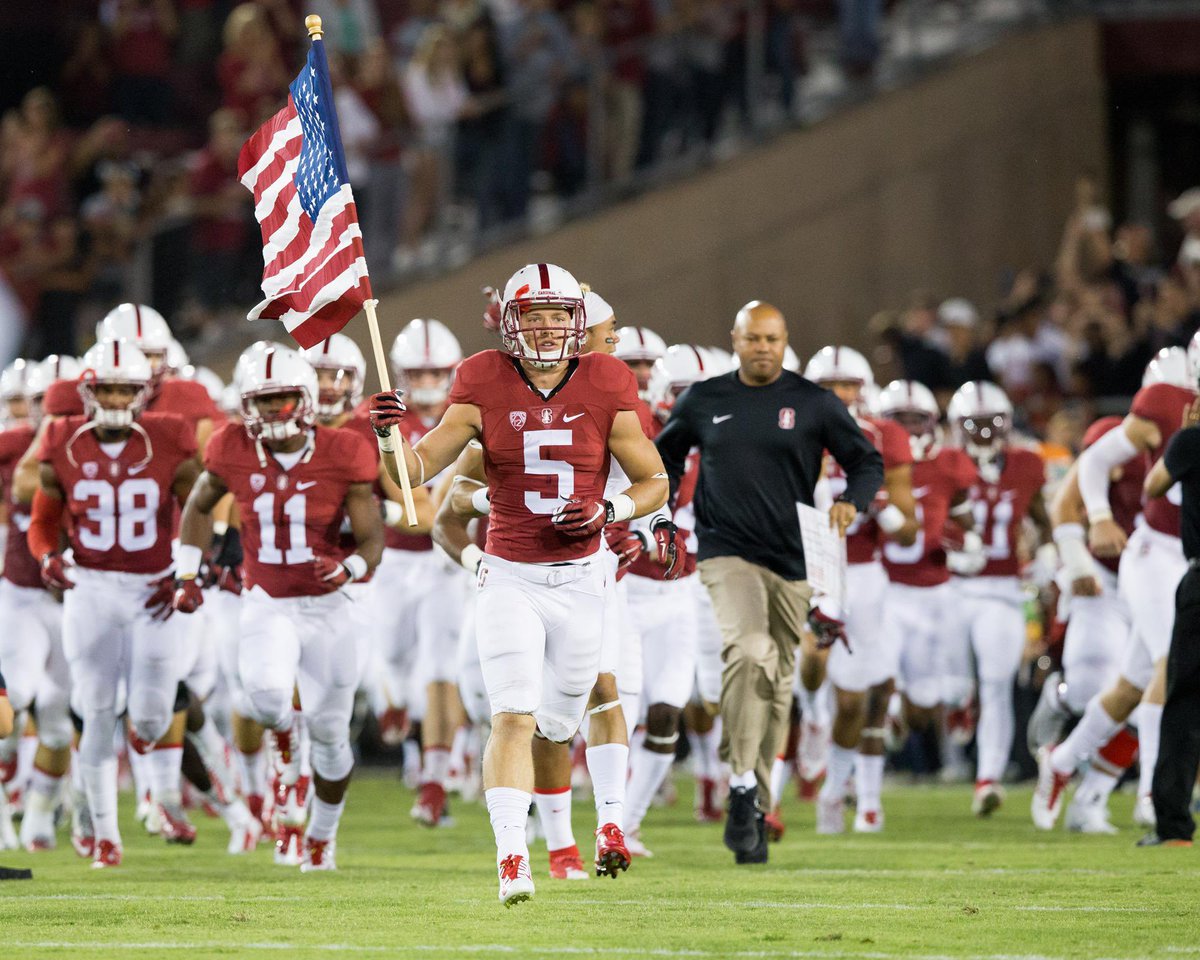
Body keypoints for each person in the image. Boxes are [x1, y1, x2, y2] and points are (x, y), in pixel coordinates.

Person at [368, 262, 669, 905]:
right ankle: (512, 859)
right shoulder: (482, 377)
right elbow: (415, 472)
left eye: (559, 315)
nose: (548, 327)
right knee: (511, 715)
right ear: (510, 323)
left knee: (560, 724)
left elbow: (656, 481)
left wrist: (608, 510)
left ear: (576, 321)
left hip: (583, 577)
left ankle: (593, 825)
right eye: (534, 316)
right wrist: (389, 438)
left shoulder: (606, 379)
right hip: (508, 575)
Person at [654, 301, 884, 863]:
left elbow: (867, 462)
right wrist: (662, 513)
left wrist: (853, 502)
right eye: (753, 338)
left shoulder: (814, 402)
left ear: (785, 341)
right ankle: (739, 783)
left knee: (778, 682)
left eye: (772, 339)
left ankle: (755, 803)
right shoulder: (704, 399)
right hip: (725, 550)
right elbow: (663, 460)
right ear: (735, 340)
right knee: (749, 650)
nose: (762, 347)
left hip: (795, 557)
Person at [173, 343, 385, 872]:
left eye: (282, 398)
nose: (273, 410)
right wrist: (187, 572)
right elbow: (198, 506)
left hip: (331, 604)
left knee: (331, 735)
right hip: (268, 599)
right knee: (266, 698)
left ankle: (321, 835)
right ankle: (286, 742)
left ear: (306, 397)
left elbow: (372, 537)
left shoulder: (344, 450)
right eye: (262, 401)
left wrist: (349, 568)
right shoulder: (230, 446)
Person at [29, 339, 201, 868]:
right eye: (107, 388)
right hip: (92, 587)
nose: (116, 399)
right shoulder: (61, 438)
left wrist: (189, 570)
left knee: (150, 718)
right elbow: (43, 519)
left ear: (143, 392)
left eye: (126, 389)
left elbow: (199, 507)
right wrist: (46, 556)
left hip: (153, 588)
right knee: (97, 707)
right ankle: (105, 833)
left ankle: (140, 779)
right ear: (88, 391)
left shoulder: (170, 435)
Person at [1070, 329, 1199, 827]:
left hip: (1185, 559)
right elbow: (1109, 468)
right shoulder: (1166, 403)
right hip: (1155, 554)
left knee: (1132, 685)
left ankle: (1062, 766)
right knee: (1170, 667)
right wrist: (1100, 517)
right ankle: (1152, 796)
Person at [789, 350, 917, 839]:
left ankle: (835, 789)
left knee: (853, 701)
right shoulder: (790, 429)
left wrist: (878, 505)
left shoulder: (885, 436)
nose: (840, 395)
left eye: (848, 386)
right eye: (830, 386)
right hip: (805, 562)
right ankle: (811, 714)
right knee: (813, 657)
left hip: (862, 571)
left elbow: (908, 531)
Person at [941, 381, 1051, 817]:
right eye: (975, 425)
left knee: (998, 682)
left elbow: (1041, 517)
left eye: (992, 425)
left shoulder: (1026, 463)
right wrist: (947, 550)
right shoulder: (942, 463)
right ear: (958, 426)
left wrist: (1047, 553)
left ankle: (988, 777)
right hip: (950, 587)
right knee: (950, 684)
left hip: (1002, 589)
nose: (985, 434)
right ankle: (960, 703)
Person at [1142, 401, 1200, 846]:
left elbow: (1154, 485)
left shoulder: (1191, 440)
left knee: (1184, 702)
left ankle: (1174, 825)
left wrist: (1181, 439)